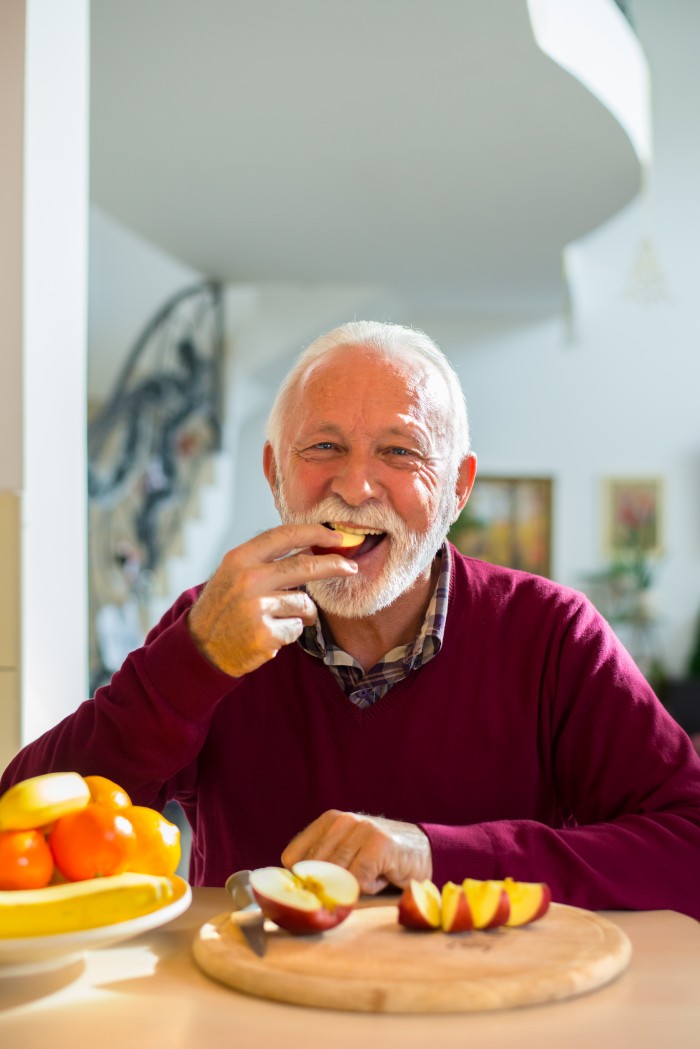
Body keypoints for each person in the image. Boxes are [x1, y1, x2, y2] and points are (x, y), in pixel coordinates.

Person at [3, 321, 700, 918]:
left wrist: (435, 855)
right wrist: (192, 663)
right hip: (253, 1012)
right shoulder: (211, 624)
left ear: (458, 486)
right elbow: (22, 835)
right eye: (324, 447)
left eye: (399, 451)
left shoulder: (550, 635)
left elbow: (688, 844)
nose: (355, 486)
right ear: (276, 474)